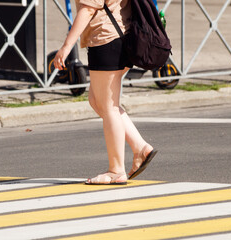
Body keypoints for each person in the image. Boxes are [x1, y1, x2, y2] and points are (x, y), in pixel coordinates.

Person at [54, 0, 157, 185]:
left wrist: (66, 46)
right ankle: (140, 147)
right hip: (122, 35)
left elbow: (87, 9)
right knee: (97, 101)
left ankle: (116, 170)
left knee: (108, 107)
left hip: (107, 39)